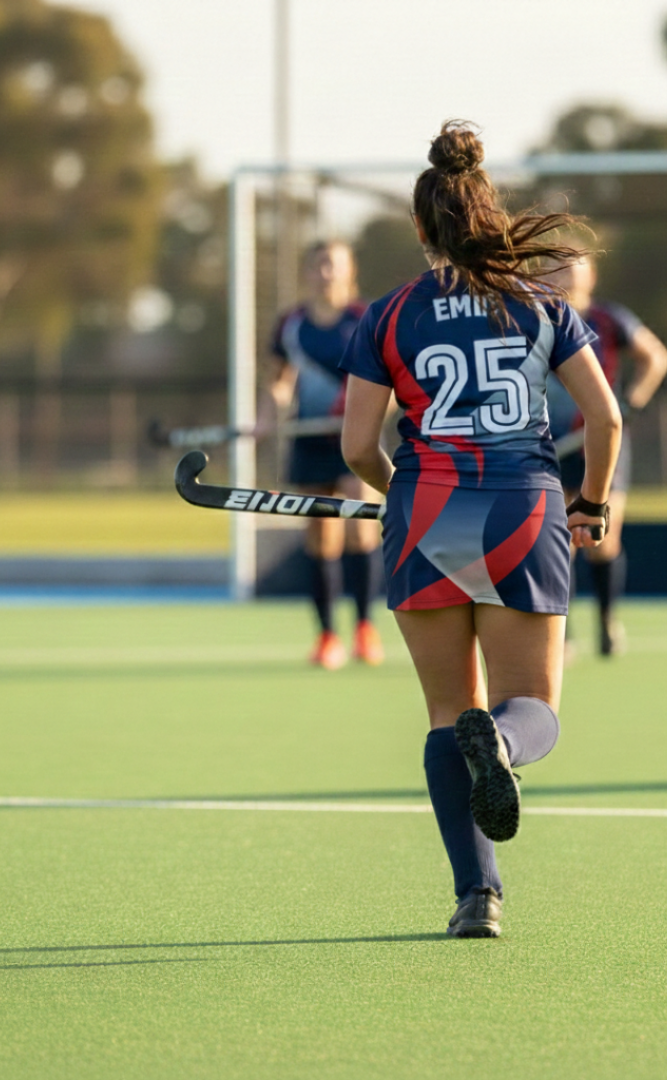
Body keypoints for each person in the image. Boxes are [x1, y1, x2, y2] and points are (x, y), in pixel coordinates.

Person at [338, 122, 622, 938]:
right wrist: (591, 505)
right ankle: (501, 742)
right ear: (490, 216)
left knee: (442, 714)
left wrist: (399, 494)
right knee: (529, 707)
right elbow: (603, 419)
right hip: (524, 511)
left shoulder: (388, 315)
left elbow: (359, 445)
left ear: (422, 228)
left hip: (428, 515)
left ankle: (477, 898)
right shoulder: (544, 306)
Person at [545, 256, 667, 656]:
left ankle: (606, 621)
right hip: (554, 444)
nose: (566, 275)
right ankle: (559, 632)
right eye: (558, 268)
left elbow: (656, 357)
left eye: (574, 267)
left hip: (601, 443)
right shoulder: (537, 319)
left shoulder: (609, 319)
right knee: (556, 539)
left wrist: (631, 404)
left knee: (602, 537)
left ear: (590, 275)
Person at [269, 240, 384, 669]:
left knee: (359, 528)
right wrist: (269, 415)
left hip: (357, 441)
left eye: (334, 266)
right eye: (319, 265)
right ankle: (326, 635)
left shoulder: (366, 320)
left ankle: (364, 629)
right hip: (310, 441)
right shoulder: (292, 324)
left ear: (350, 273)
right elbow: (278, 382)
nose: (326, 274)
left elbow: (389, 383)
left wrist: (368, 415)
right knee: (320, 536)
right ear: (307, 272)